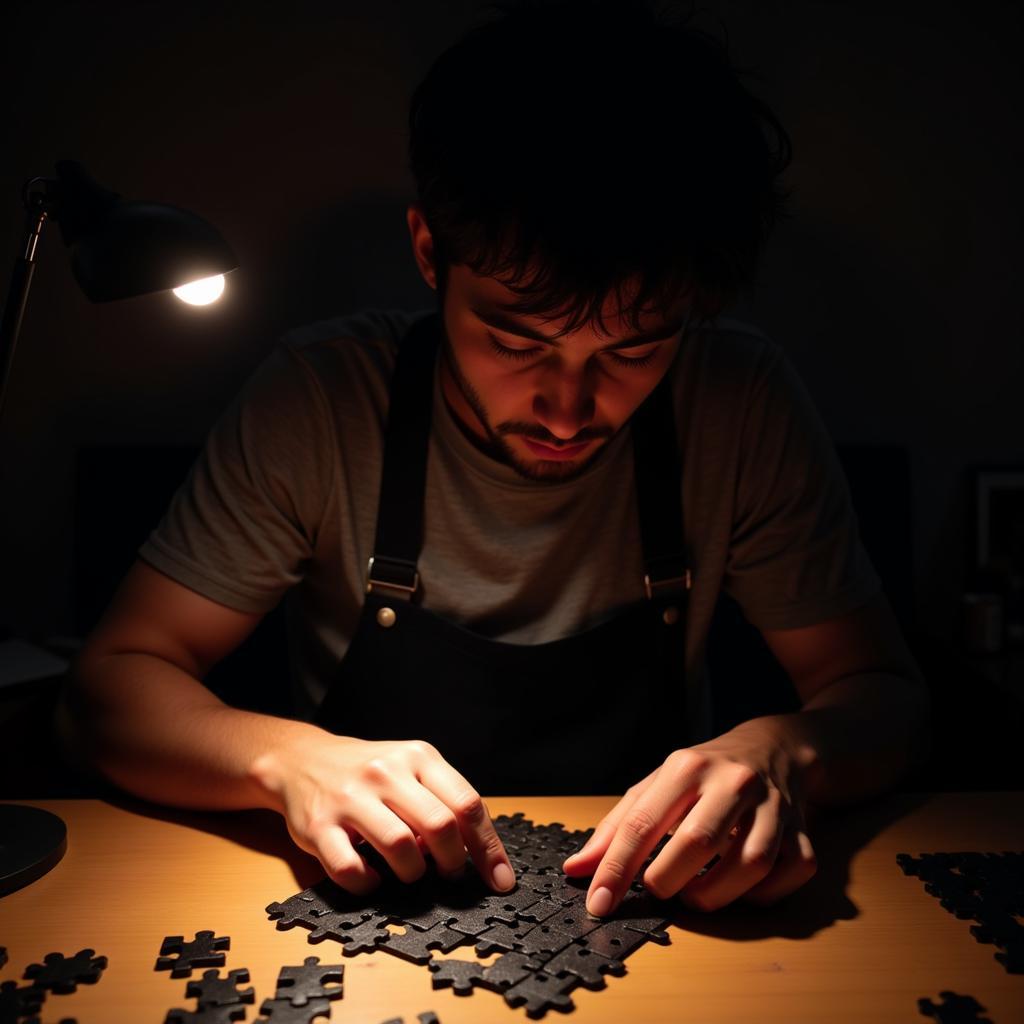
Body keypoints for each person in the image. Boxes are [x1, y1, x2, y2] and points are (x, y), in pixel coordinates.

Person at [57, 0, 930, 920]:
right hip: (371, 918)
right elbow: (106, 689)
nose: (569, 405)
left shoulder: (738, 402)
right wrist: (287, 759)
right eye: (516, 341)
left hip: (644, 917)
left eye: (634, 351)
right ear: (432, 252)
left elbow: (884, 698)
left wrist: (784, 751)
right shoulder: (324, 397)